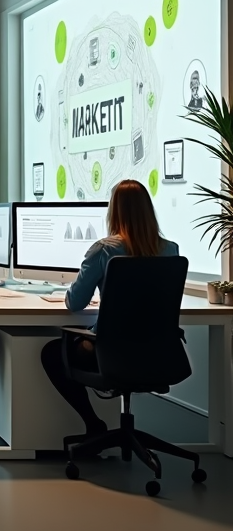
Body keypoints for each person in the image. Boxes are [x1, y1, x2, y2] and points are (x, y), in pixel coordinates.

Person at [40, 179, 180, 436]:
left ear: (113, 211)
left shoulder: (104, 250)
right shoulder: (171, 250)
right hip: (159, 353)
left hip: (110, 352)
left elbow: (75, 303)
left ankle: (93, 424)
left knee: (52, 352)